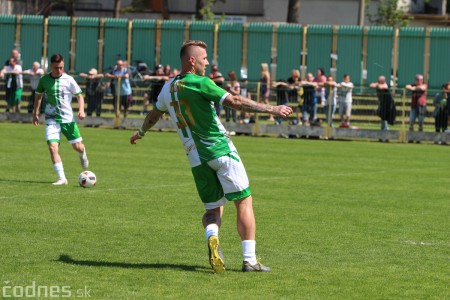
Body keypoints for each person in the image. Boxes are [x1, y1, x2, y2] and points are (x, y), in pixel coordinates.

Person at [130, 40, 293, 273]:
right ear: (192, 61)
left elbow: (154, 114)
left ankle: (212, 236)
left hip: (196, 159)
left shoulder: (167, 88)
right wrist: (272, 109)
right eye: (204, 58)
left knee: (212, 210)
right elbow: (235, 101)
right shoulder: (201, 83)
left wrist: (141, 132)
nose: (208, 62)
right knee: (243, 201)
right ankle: (249, 260)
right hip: (220, 150)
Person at [33, 54, 89, 185]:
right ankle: (62, 178)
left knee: (78, 147)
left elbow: (79, 96)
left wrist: (81, 110)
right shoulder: (44, 80)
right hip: (51, 119)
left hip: (67, 119)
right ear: (51, 66)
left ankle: (82, 153)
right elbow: (38, 97)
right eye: (57, 68)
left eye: (61, 67)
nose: (59, 70)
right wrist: (35, 113)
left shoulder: (69, 79)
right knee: (52, 147)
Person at [105, 60, 132, 127]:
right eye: (118, 65)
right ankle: (117, 122)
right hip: (117, 93)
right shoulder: (114, 70)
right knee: (117, 108)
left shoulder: (126, 70)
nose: (120, 66)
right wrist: (115, 76)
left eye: (121, 65)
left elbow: (126, 76)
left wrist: (119, 77)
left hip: (126, 92)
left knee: (126, 108)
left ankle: (125, 123)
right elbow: (107, 75)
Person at [369, 76, 396, 141]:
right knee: (382, 120)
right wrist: (376, 84)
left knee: (385, 120)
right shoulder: (378, 84)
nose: (378, 81)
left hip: (388, 105)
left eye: (379, 80)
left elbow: (381, 87)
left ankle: (386, 137)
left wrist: (376, 84)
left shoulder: (385, 84)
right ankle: (382, 136)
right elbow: (371, 85)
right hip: (383, 104)